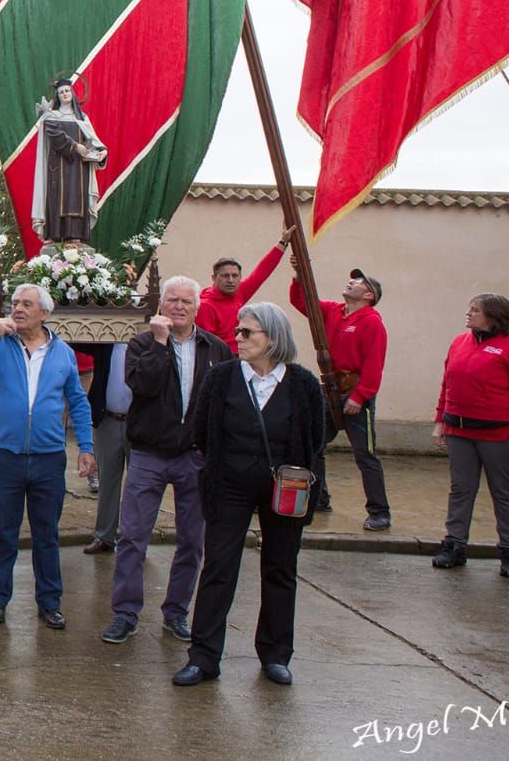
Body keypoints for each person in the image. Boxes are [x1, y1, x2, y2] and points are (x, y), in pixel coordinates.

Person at [175, 302, 324, 688]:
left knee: (280, 568)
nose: (237, 339)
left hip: (284, 491)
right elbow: (202, 428)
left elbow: (317, 436)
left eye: (247, 333)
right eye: (238, 332)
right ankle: (204, 656)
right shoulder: (222, 378)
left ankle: (275, 655)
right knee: (219, 568)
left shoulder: (303, 384)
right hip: (229, 486)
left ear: (273, 339)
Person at [102, 276, 230, 645]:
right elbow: (142, 386)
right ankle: (125, 614)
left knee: (192, 540)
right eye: (171, 300)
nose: (177, 306)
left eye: (185, 302)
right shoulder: (142, 343)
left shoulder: (215, 348)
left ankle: (176, 612)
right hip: (147, 455)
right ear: (161, 306)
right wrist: (160, 344)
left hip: (193, 457)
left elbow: (221, 403)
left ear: (196, 307)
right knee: (133, 538)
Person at [0, 283, 95, 629]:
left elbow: (78, 401)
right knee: (4, 531)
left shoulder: (62, 353)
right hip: (6, 455)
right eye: (15, 303)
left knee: (46, 534)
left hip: (49, 457)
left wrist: (86, 446)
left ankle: (50, 602)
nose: (18, 308)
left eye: (27, 304)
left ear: (44, 313)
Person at [289, 264, 391, 529]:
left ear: (369, 295)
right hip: (331, 391)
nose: (351, 282)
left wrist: (360, 396)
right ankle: (319, 498)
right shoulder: (334, 310)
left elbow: (373, 365)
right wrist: (299, 277)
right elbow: (302, 301)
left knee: (365, 455)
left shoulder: (371, 321)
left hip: (355, 394)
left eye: (359, 281)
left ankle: (379, 511)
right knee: (313, 444)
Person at [429, 294, 509, 577]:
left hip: (499, 433)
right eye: (469, 309)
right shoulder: (459, 343)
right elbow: (447, 384)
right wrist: (440, 421)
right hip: (458, 430)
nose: (468, 314)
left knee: (503, 492)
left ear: (493, 317)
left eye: (475, 311)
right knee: (461, 488)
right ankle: (454, 544)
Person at [31, 78, 106, 243]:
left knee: (76, 199)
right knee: (57, 199)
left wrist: (101, 152)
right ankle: (55, 234)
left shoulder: (82, 118)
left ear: (72, 93)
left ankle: (75, 236)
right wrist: (75, 146)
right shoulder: (52, 116)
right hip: (57, 166)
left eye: (67, 91)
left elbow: (93, 141)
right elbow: (55, 135)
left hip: (79, 168)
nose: (65, 94)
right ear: (58, 96)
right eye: (61, 92)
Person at [197, 229, 291, 354]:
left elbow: (263, 271)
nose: (230, 280)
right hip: (224, 360)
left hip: (245, 355)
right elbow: (207, 346)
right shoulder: (205, 306)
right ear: (214, 278)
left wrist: (283, 241)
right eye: (225, 276)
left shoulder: (239, 292)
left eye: (235, 276)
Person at [83, 341, 129, 555]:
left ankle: (135, 539)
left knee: (140, 486)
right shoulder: (106, 342)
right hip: (108, 420)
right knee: (108, 481)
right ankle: (104, 536)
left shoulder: (153, 342)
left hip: (141, 425)